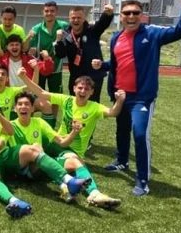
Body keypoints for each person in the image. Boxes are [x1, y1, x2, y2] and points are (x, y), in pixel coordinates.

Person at [101, 0, 181, 196]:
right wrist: (103, 66)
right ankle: (122, 161)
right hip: (120, 95)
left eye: (135, 13)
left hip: (141, 97)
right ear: (121, 16)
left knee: (140, 134)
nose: (131, 16)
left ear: (141, 15)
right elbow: (117, 64)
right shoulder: (116, 38)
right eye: (127, 13)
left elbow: (179, 31)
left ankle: (142, 181)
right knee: (122, 130)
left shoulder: (152, 34)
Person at [15, 77, 123, 209]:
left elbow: (112, 112)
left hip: (70, 151)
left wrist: (119, 100)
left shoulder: (94, 107)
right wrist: (23, 77)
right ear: (74, 88)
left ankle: (93, 194)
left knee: (75, 162)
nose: (82, 91)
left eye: (86, 89)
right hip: (56, 143)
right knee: (37, 137)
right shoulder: (67, 100)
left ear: (92, 92)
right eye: (80, 88)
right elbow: (42, 93)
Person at [53, 4, 114, 100]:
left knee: (92, 105)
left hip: (94, 76)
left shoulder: (92, 30)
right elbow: (60, 54)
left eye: (79, 17)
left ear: (84, 18)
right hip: (76, 76)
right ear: (69, 19)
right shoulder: (66, 34)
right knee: (75, 104)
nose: (76, 20)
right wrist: (58, 41)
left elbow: (102, 24)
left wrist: (107, 14)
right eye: (73, 18)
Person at [27, 0, 70, 128]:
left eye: (52, 11)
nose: (49, 13)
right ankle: (30, 123)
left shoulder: (64, 26)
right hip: (40, 68)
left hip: (56, 68)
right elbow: (29, 49)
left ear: (56, 12)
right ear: (43, 12)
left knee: (55, 97)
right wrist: (31, 47)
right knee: (35, 95)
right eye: (47, 11)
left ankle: (52, 124)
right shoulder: (37, 28)